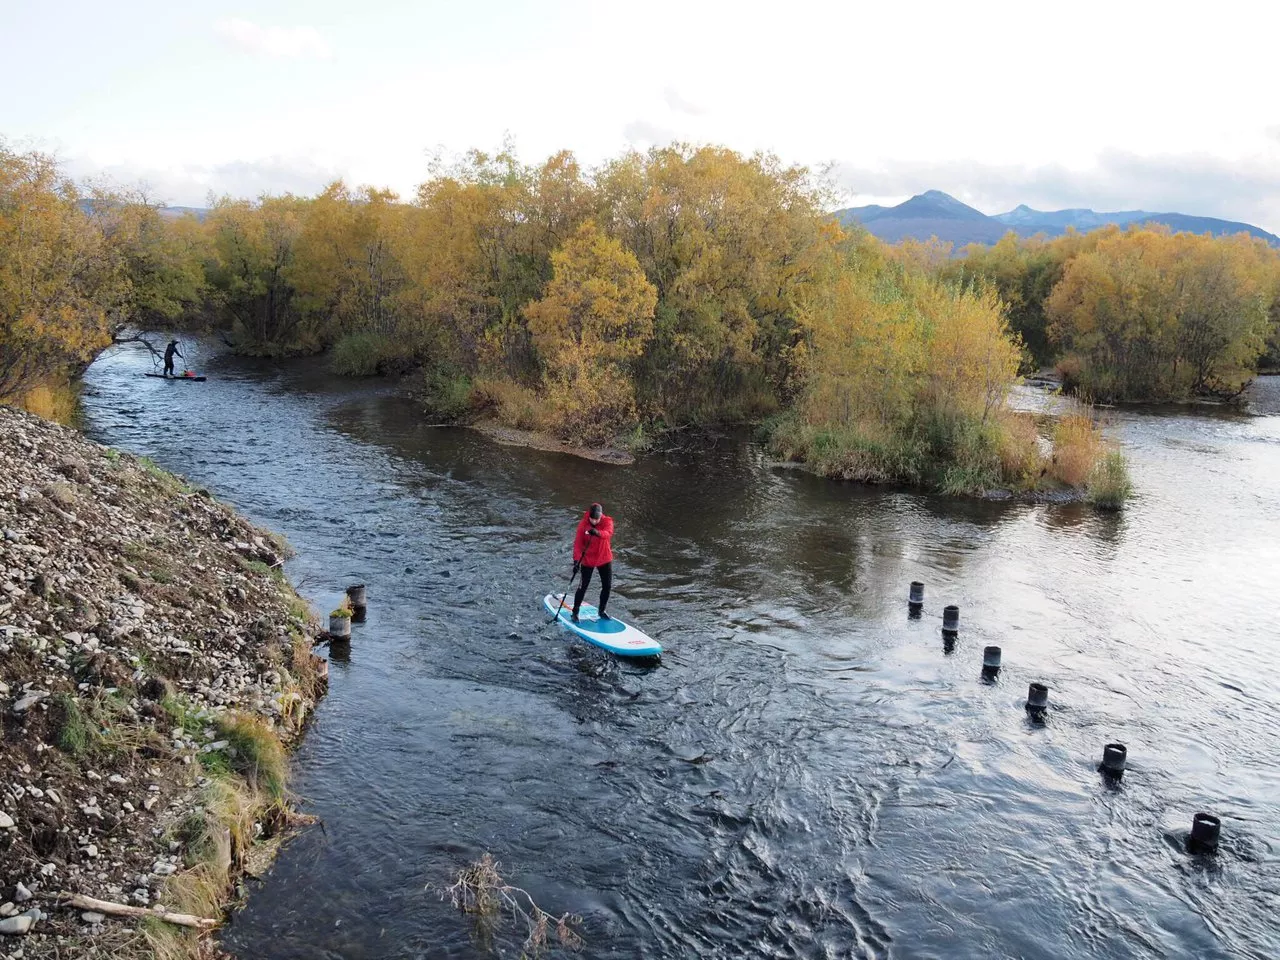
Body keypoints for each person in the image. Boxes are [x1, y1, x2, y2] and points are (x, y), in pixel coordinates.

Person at [571, 502, 614, 622]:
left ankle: (601, 611)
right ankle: (575, 612)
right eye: (592, 519)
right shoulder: (583, 525)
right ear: (589, 516)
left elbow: (608, 533)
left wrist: (598, 533)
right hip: (588, 559)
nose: (594, 522)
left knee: (607, 586)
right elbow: (578, 545)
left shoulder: (607, 521)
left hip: (604, 558)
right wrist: (576, 561)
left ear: (601, 517)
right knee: (583, 587)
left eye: (597, 519)